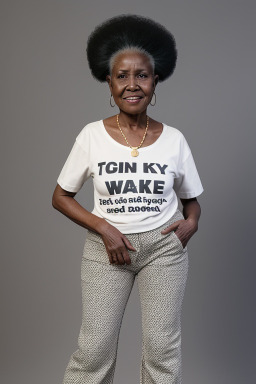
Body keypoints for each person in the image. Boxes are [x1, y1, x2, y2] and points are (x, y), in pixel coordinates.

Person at [52, 14, 204, 384]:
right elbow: (60, 196)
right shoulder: (91, 135)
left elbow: (192, 201)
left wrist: (191, 224)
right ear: (109, 81)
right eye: (122, 76)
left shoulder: (174, 140)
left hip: (163, 249)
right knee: (94, 348)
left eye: (142, 75)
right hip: (108, 249)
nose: (132, 84)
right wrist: (104, 227)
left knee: (162, 349)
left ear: (155, 82)